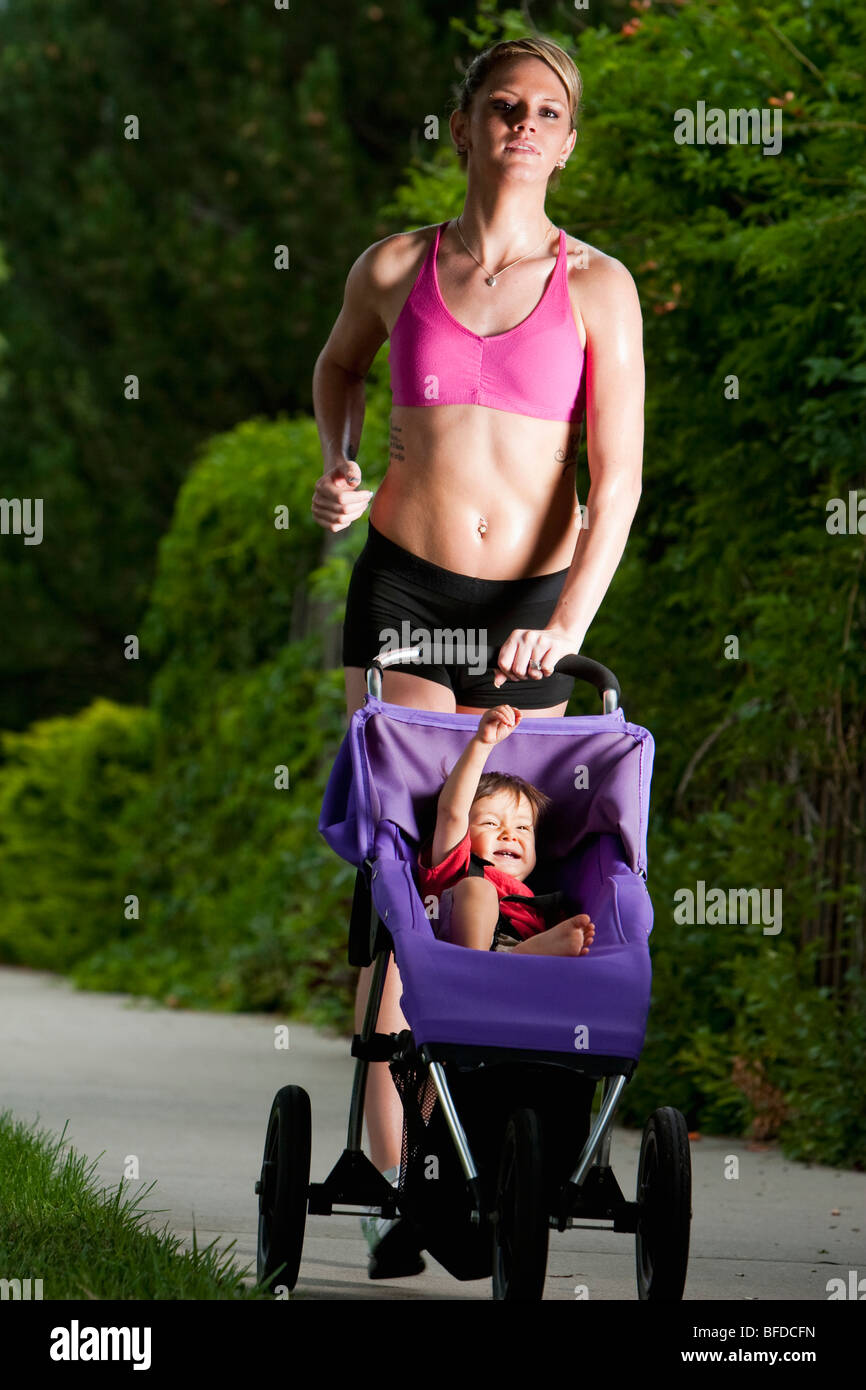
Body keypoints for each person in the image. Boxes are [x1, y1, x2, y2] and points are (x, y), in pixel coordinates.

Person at [311, 34, 644, 1278]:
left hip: (532, 608)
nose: (520, 122)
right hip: (405, 585)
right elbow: (337, 368)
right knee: (408, 855)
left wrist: (573, 617)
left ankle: (488, 1137)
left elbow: (615, 485)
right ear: (461, 126)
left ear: (566, 139)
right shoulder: (396, 265)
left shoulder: (597, 285)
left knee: (503, 861)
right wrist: (336, 464)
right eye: (500, 105)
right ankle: (401, 1176)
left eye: (544, 110)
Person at [417, 703, 596, 955]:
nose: (509, 834)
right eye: (491, 823)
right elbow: (452, 813)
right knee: (477, 888)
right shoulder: (454, 867)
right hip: (458, 956)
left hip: (523, 969)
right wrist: (483, 743)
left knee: (567, 928)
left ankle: (520, 956)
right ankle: (484, 963)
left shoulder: (542, 905)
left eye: (523, 827)